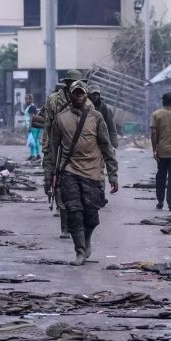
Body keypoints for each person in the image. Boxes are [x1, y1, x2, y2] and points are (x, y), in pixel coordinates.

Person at [47, 81, 118, 266]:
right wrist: (50, 176)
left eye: (81, 93)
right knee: (74, 212)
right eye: (75, 93)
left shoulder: (96, 117)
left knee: (91, 216)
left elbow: (106, 146)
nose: (78, 96)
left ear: (86, 95)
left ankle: (86, 241)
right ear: (70, 96)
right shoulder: (61, 119)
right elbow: (53, 150)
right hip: (69, 170)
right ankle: (79, 250)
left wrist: (113, 174)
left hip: (93, 172)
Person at [35, 69, 95, 238]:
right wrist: (48, 150)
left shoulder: (87, 102)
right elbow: (48, 125)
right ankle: (65, 226)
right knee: (60, 188)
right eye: (72, 83)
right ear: (67, 83)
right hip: (58, 148)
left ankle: (77, 223)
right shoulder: (54, 100)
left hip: (80, 150)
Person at [88, 84, 118, 151]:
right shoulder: (84, 106)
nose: (95, 97)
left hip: (101, 138)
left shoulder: (104, 108)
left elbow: (111, 127)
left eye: (97, 94)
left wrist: (113, 144)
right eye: (93, 94)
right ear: (88, 95)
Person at [24, 94, 41, 161]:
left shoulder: (31, 107)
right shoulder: (33, 106)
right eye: (25, 99)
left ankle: (32, 155)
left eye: (28, 99)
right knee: (35, 140)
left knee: (32, 141)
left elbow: (32, 117)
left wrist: (30, 126)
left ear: (31, 99)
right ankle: (37, 155)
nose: (26, 100)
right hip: (37, 126)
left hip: (33, 126)